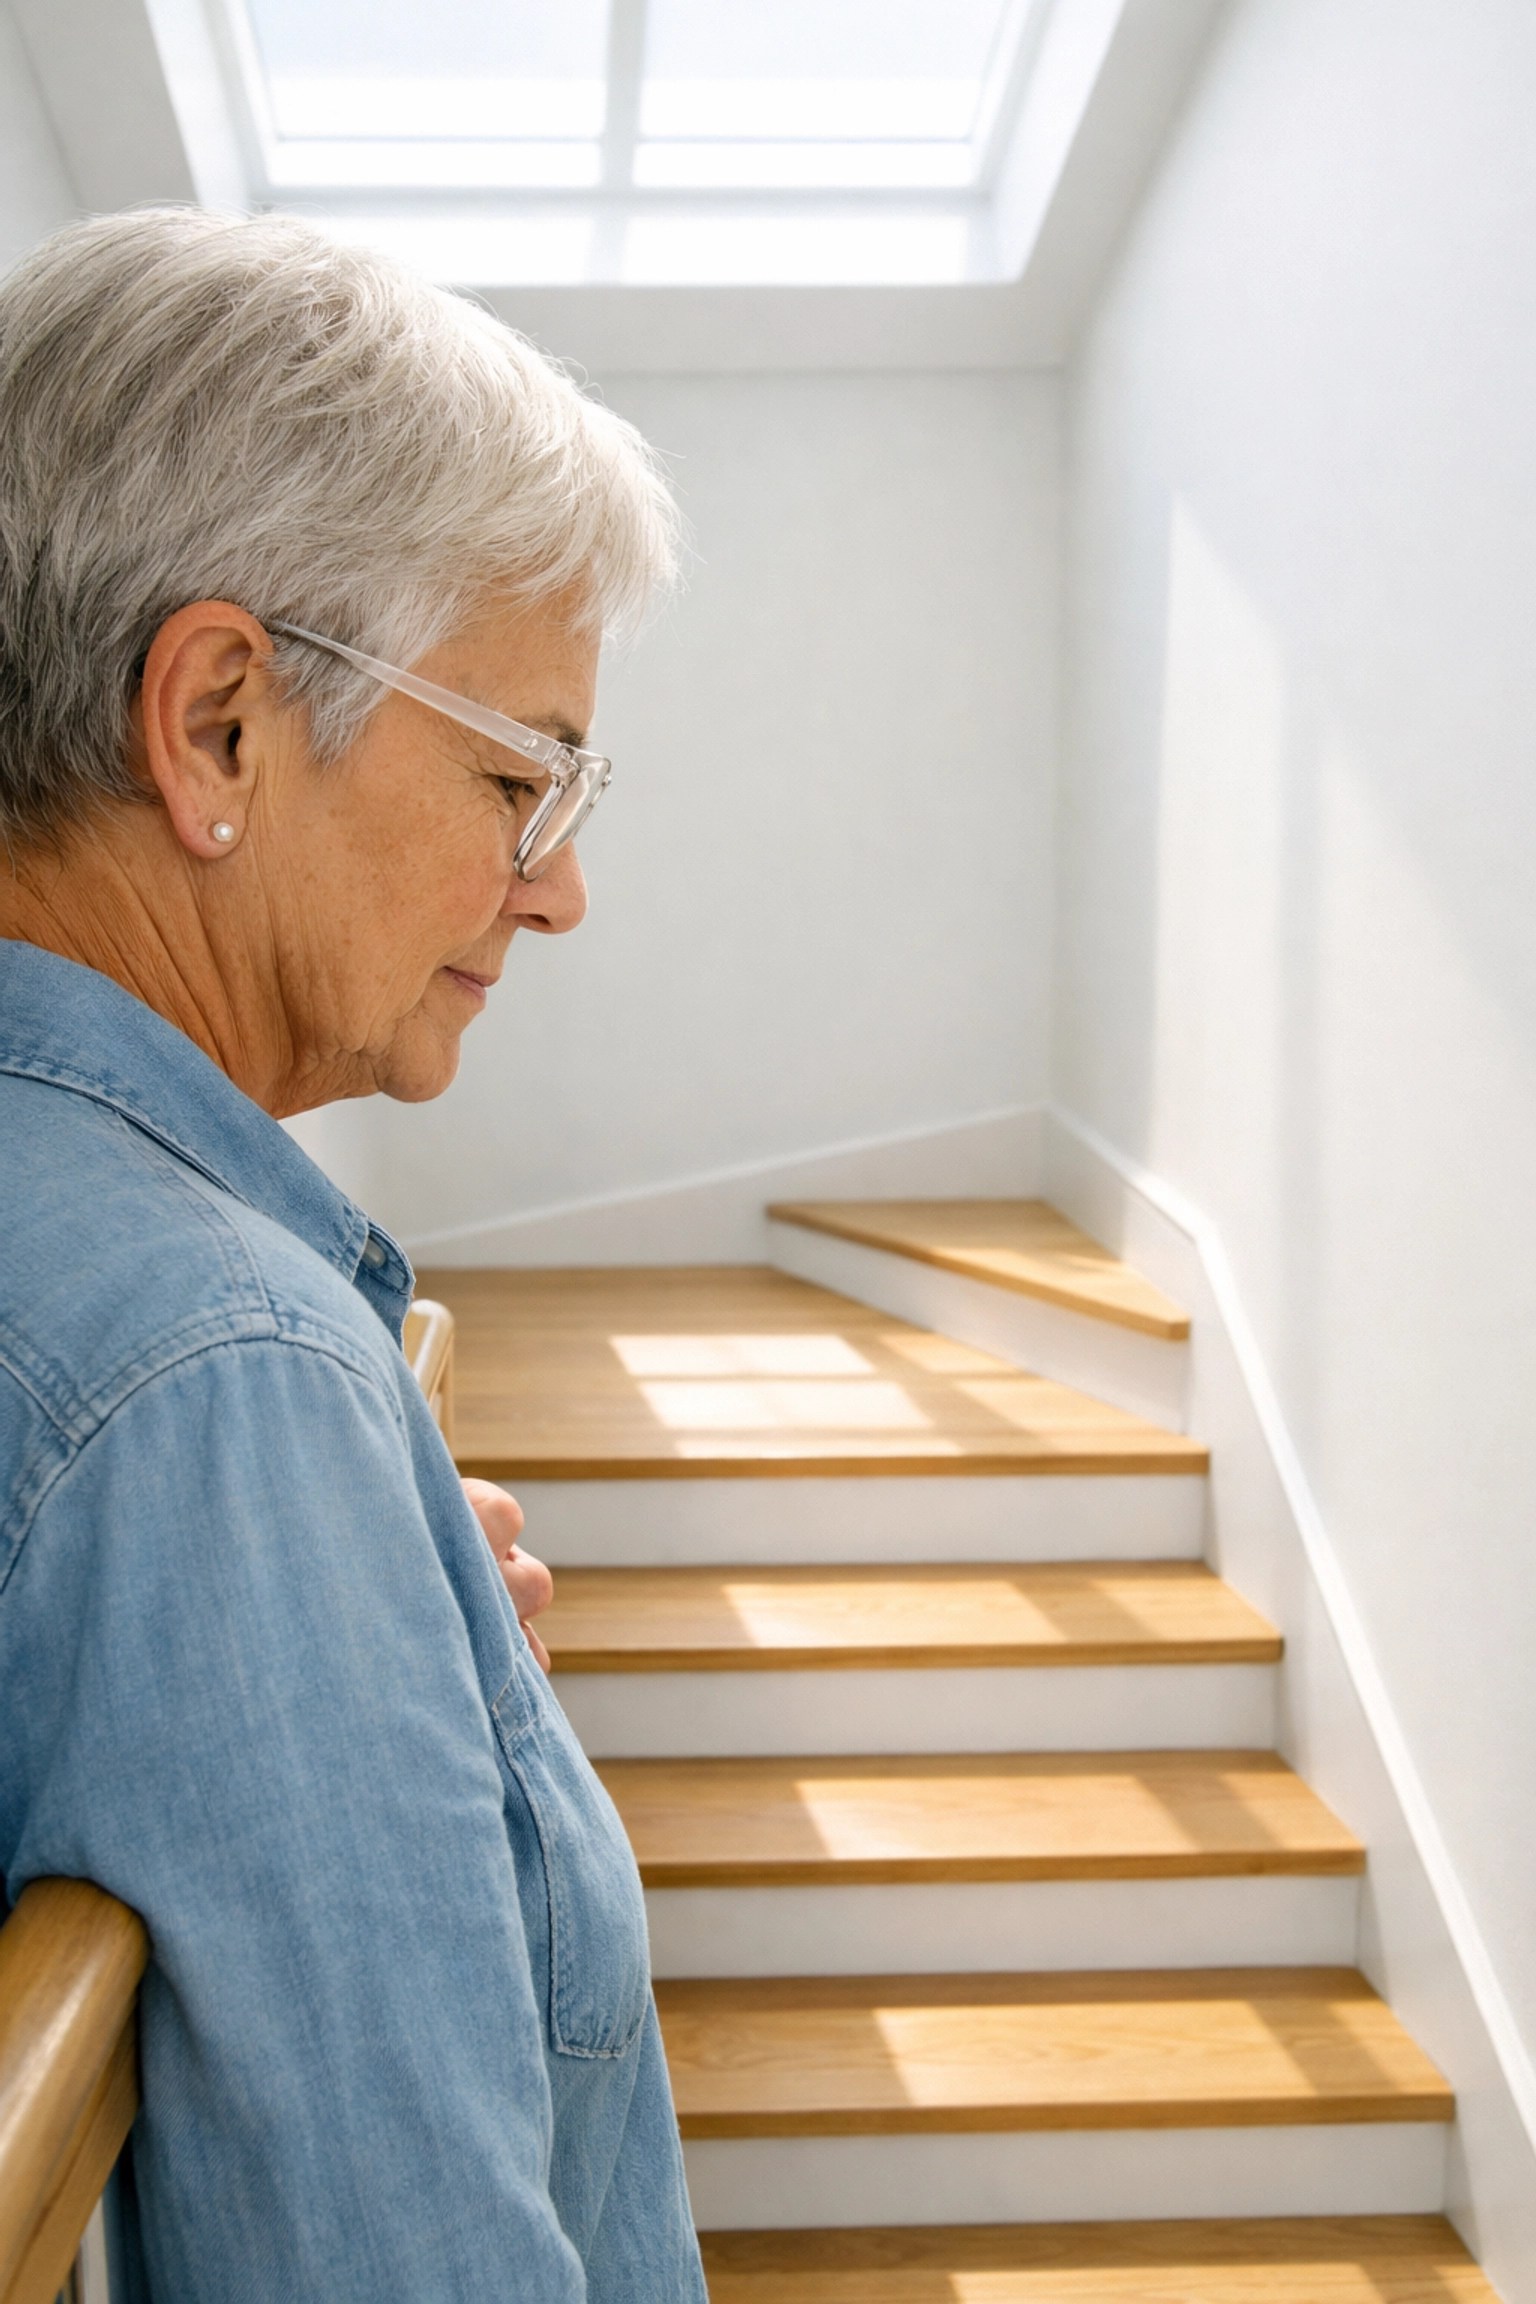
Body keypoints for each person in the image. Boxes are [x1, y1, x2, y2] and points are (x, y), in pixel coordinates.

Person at [0, 207, 705, 2302]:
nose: (556, 887)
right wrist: (278, 1483)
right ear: (216, 720)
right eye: (517, 776)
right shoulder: (216, 1373)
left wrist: (352, 1588)